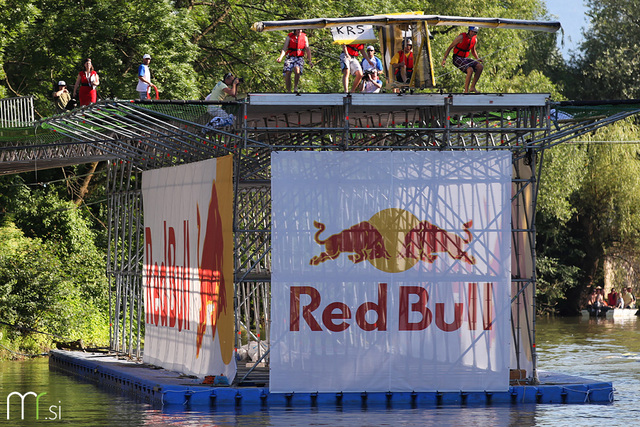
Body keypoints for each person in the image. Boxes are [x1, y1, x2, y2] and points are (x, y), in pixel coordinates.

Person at [441, 26, 484, 93]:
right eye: (472, 31)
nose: (473, 33)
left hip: (465, 58)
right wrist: (444, 59)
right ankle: (466, 91)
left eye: (474, 32)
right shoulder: (461, 38)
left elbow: (473, 51)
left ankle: (472, 87)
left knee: (480, 67)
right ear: (469, 31)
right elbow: (450, 47)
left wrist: (477, 58)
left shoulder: (474, 40)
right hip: (457, 58)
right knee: (470, 69)